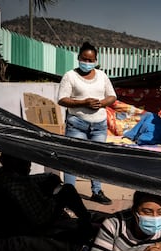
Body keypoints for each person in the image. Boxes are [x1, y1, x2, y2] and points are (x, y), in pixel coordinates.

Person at [0, 152, 94, 242]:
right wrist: (53, 202)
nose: (30, 166)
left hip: (37, 212)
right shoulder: (16, 187)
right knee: (68, 190)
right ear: (16, 164)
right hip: (38, 223)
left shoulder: (8, 175)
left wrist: (49, 178)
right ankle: (86, 223)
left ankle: (85, 220)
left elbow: (30, 180)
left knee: (52, 181)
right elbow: (39, 219)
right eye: (27, 163)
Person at [58, 41, 117, 205]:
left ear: (96, 60)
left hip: (99, 126)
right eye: (85, 59)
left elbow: (112, 96)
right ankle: (69, 194)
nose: (87, 63)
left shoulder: (102, 76)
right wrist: (83, 103)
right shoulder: (70, 76)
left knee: (96, 160)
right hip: (77, 124)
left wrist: (102, 103)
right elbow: (62, 99)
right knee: (73, 159)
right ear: (78, 58)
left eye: (91, 60)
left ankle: (97, 191)